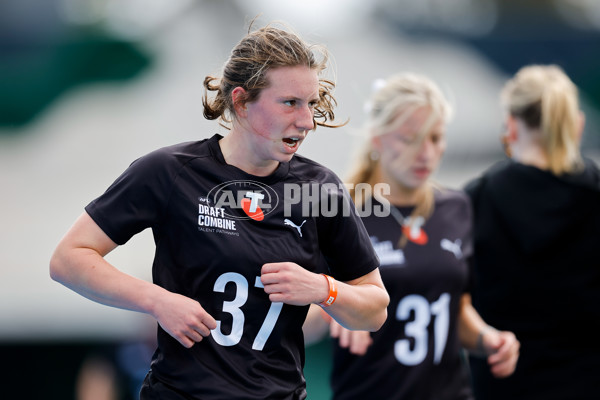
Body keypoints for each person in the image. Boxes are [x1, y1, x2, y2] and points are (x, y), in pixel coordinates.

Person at [49, 22, 389, 400]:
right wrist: (157, 300)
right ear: (241, 101)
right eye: (290, 103)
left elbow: (375, 308)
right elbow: (68, 259)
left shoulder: (320, 188)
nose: (307, 121)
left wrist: (322, 289)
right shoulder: (169, 171)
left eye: (311, 103)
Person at [303, 73, 520, 400]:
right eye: (409, 139)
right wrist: (339, 306)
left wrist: (489, 339)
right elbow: (302, 324)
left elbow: (454, 308)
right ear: (377, 139)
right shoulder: (342, 212)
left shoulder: (456, 207)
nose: (426, 153)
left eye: (435, 138)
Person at [464, 64, 600, 400]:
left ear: (510, 126)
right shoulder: (595, 193)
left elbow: (455, 298)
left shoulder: (476, 198)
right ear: (577, 126)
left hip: (500, 386)